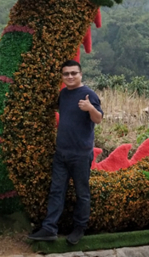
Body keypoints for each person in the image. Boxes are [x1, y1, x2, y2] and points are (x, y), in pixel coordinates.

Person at [28, 60, 103, 245]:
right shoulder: (63, 94)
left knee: (82, 193)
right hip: (61, 153)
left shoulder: (88, 95)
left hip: (80, 154)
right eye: (66, 74)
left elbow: (99, 119)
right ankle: (49, 228)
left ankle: (79, 228)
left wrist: (90, 108)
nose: (70, 77)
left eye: (73, 73)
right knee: (56, 191)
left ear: (80, 74)